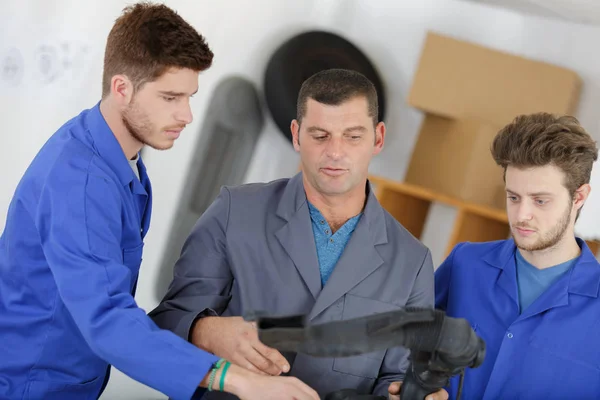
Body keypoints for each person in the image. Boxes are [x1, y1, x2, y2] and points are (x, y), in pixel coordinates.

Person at [0, 3, 319, 400]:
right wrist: (234, 378)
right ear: (122, 89)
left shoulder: (117, 159)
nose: (186, 115)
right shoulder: (81, 183)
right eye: (170, 96)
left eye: (189, 96)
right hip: (30, 386)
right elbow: (107, 319)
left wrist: (204, 331)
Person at [149, 68, 448, 400]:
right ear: (296, 134)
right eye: (320, 135)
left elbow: (396, 376)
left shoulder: (412, 262)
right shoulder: (236, 210)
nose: (335, 152)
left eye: (353, 136)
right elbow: (164, 322)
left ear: (377, 138)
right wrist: (204, 330)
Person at [435, 112, 600, 399]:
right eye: (513, 197)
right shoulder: (465, 264)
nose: (522, 215)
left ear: (579, 196)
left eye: (540, 200)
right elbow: (403, 350)